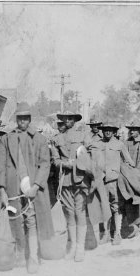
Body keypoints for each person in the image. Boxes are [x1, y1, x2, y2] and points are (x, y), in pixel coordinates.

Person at [0, 102, 55, 273]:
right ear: (16, 119)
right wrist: (1, 189)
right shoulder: (7, 138)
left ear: (29, 119)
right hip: (13, 187)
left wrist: (36, 186)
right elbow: (1, 165)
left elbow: (45, 165)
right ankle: (20, 254)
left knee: (31, 220)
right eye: (19, 118)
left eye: (25, 118)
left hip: (32, 187)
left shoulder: (39, 139)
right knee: (15, 219)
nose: (22, 121)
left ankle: (33, 257)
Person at [52, 110, 95, 262]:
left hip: (81, 179)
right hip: (65, 180)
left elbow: (91, 154)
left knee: (80, 212)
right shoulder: (57, 138)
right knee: (69, 213)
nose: (68, 121)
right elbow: (56, 161)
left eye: (71, 118)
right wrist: (65, 164)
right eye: (65, 118)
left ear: (75, 120)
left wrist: (79, 164)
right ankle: (72, 247)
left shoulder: (83, 136)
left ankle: (80, 248)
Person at [91, 122, 135, 245]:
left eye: (110, 130)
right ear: (102, 131)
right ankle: (105, 234)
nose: (108, 132)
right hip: (101, 181)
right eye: (105, 130)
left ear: (114, 131)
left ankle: (117, 234)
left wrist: (130, 173)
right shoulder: (96, 144)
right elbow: (91, 162)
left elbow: (129, 161)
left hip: (115, 182)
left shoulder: (119, 144)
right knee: (103, 207)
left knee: (116, 207)